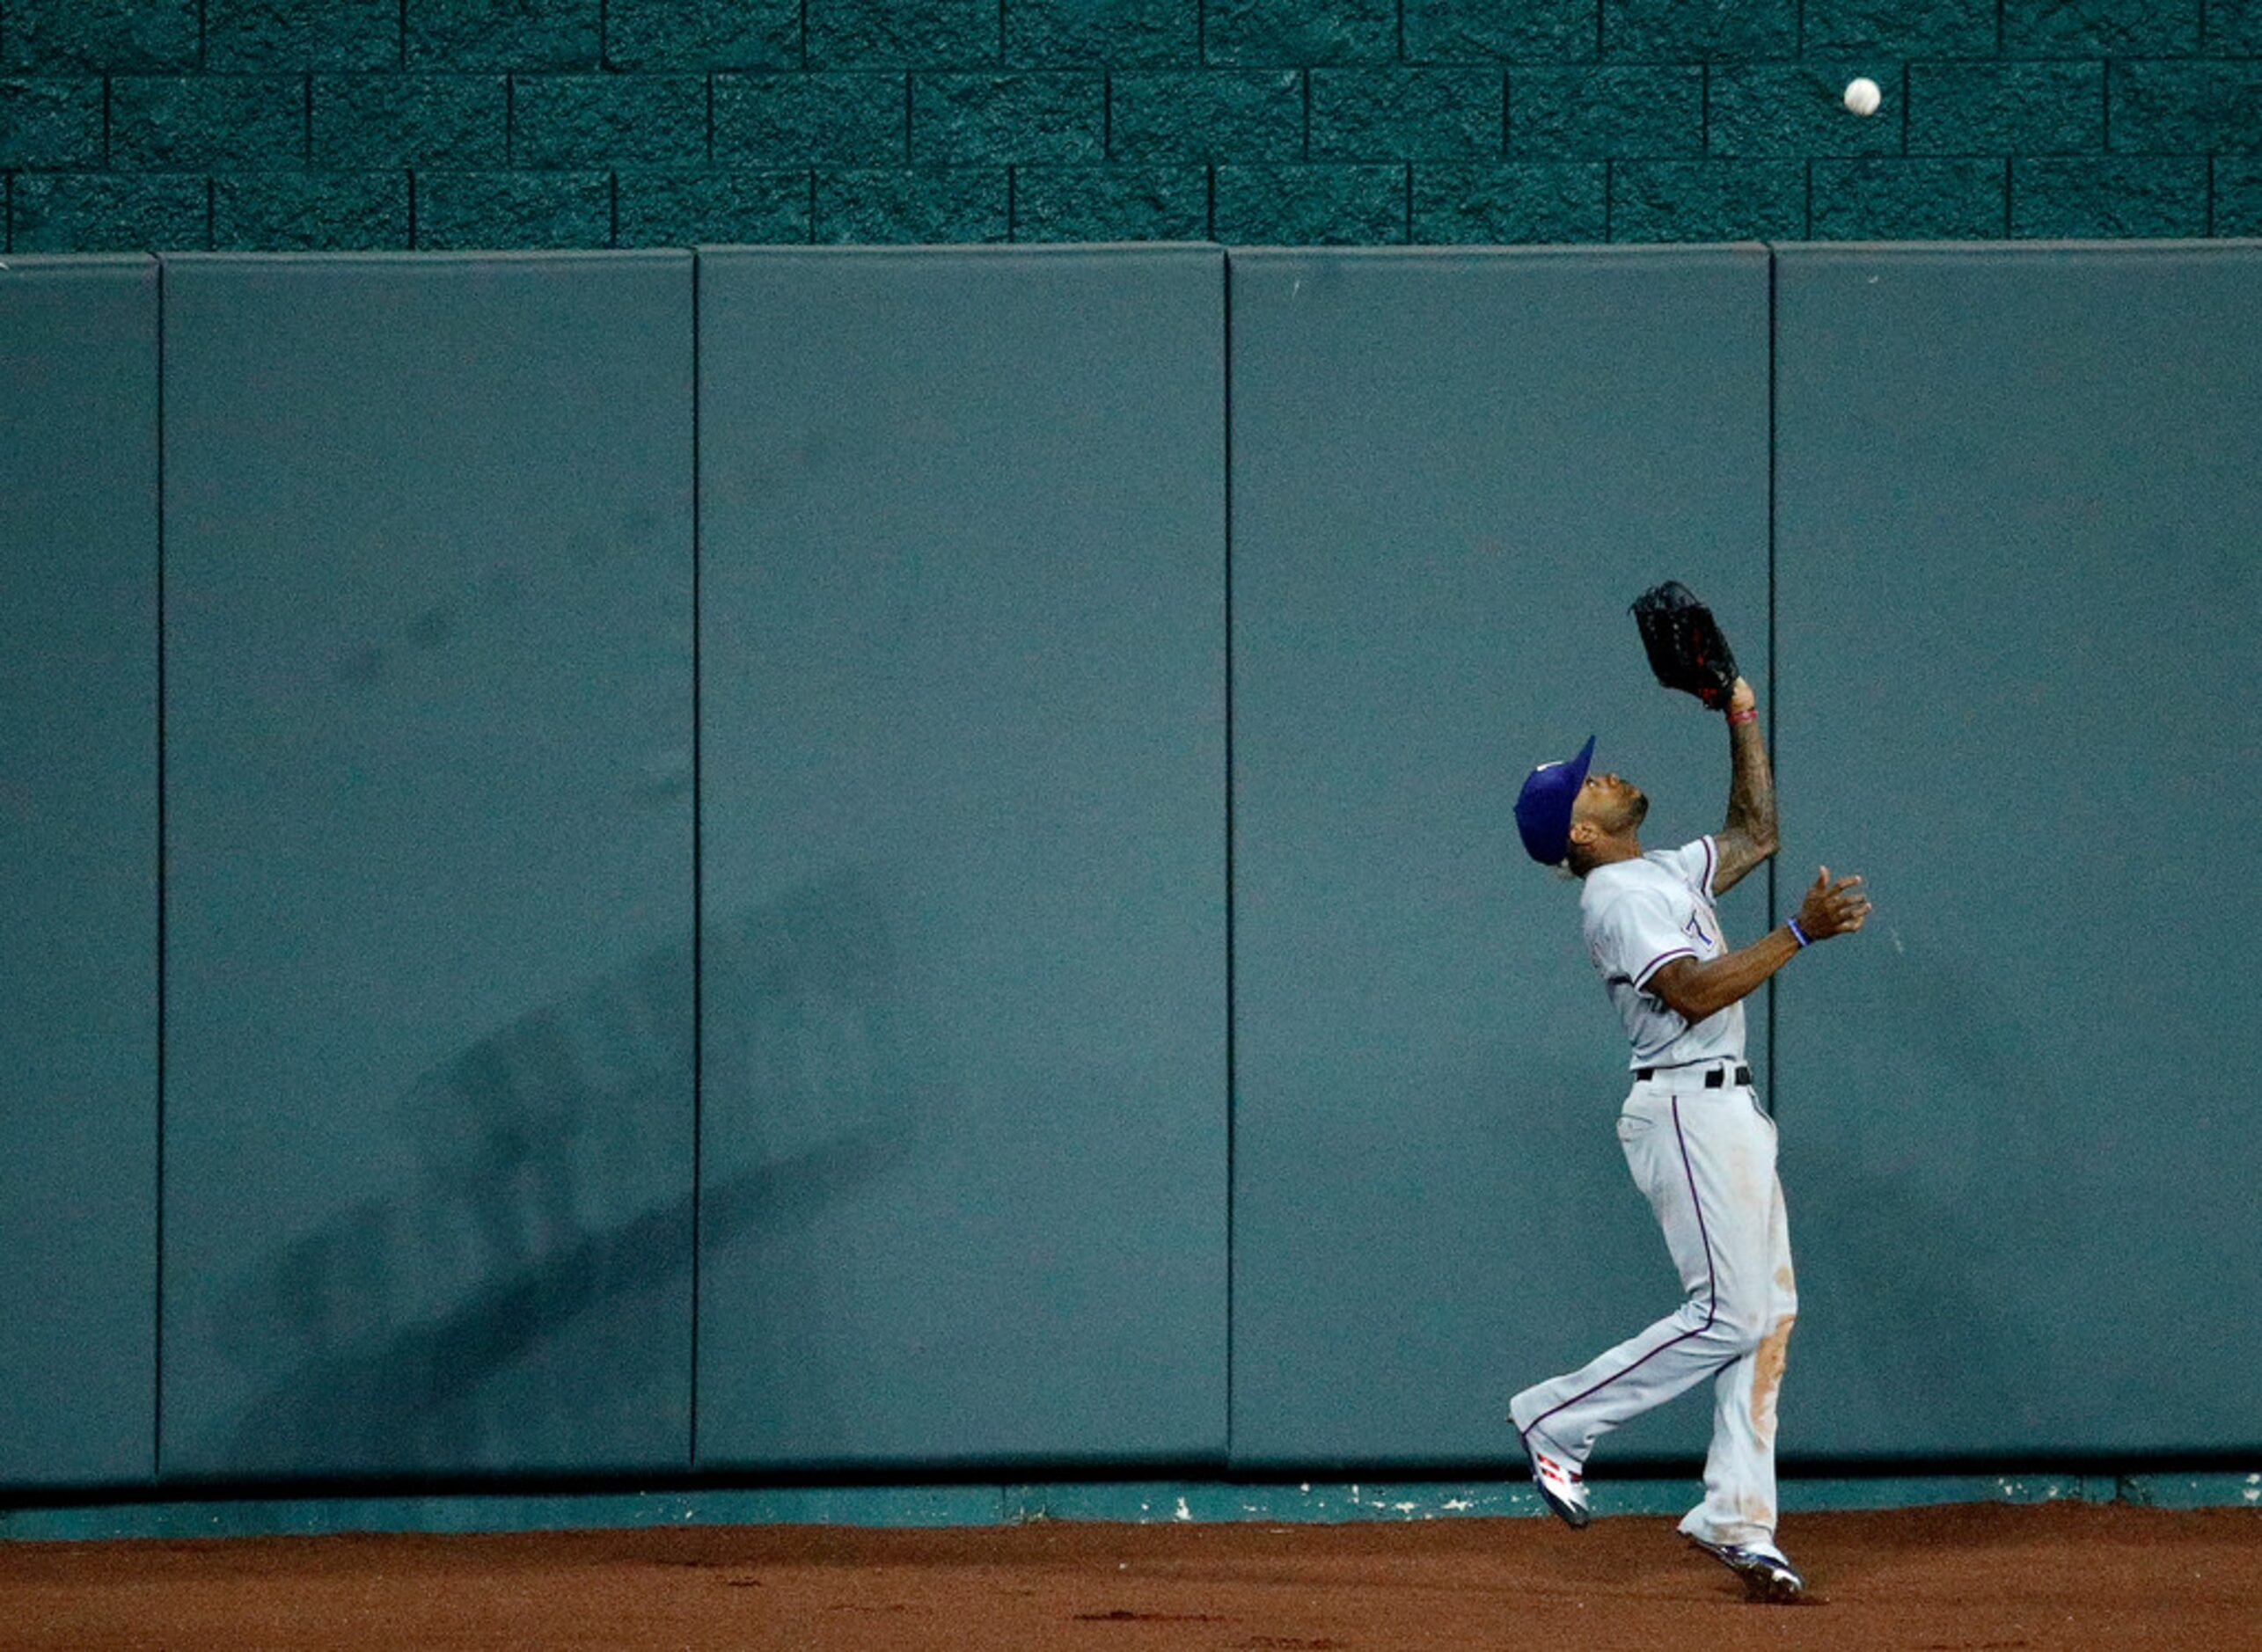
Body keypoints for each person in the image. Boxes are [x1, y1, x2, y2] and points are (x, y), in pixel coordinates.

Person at [1507, 674, 1870, 1603]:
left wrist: (1737, 710)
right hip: (1682, 1106)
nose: (1605, 773)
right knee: (1729, 1313)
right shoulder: (1618, 900)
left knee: (1767, 1316)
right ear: (1581, 833)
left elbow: (1757, 831)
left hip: (1723, 1109)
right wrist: (1799, 930)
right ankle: (1555, 1418)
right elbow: (1693, 991)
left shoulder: (1657, 870)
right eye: (1587, 783)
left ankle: (1738, 1519)